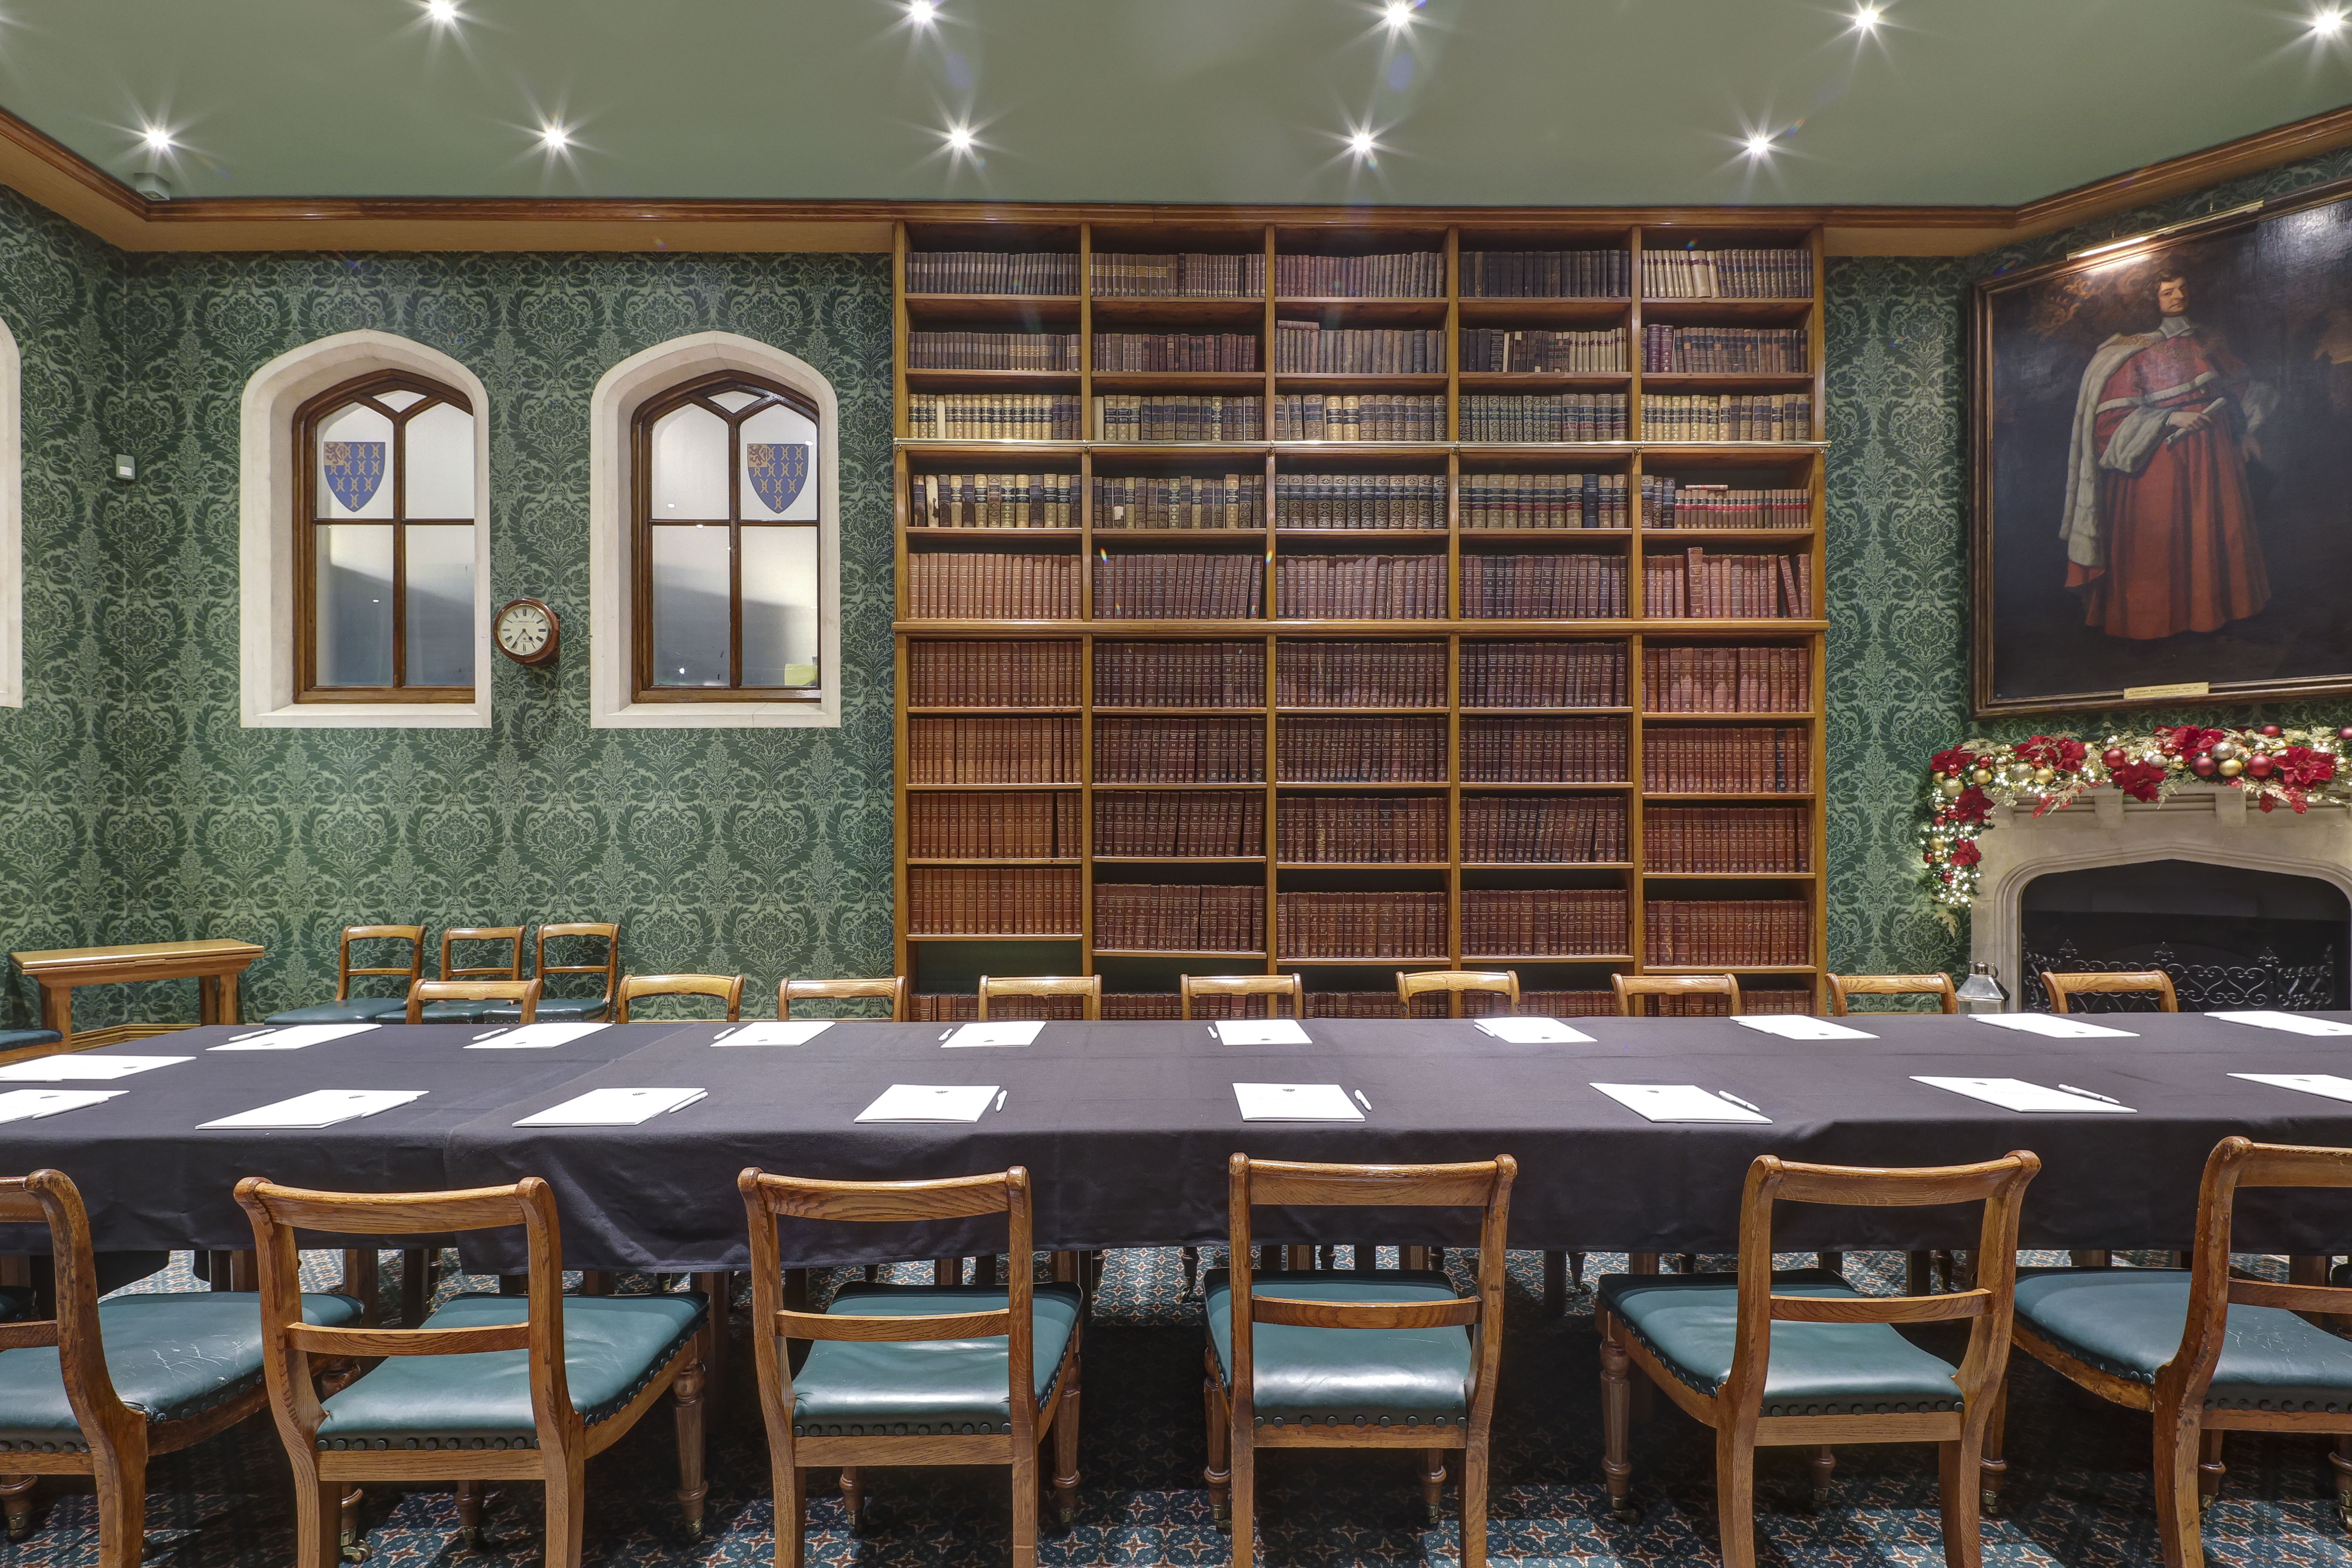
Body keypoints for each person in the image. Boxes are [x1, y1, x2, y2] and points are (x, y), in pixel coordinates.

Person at [2055, 271, 2270, 640]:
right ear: (2147, 299)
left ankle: (2216, 614)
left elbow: (2235, 387)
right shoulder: (2125, 350)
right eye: (2167, 291)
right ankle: (2153, 624)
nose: (2178, 296)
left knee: (2216, 528)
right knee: (2157, 540)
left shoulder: (2201, 338)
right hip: (2158, 458)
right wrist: (2170, 418)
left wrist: (2245, 432)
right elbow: (2108, 422)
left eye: (2183, 288)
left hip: (2214, 448)